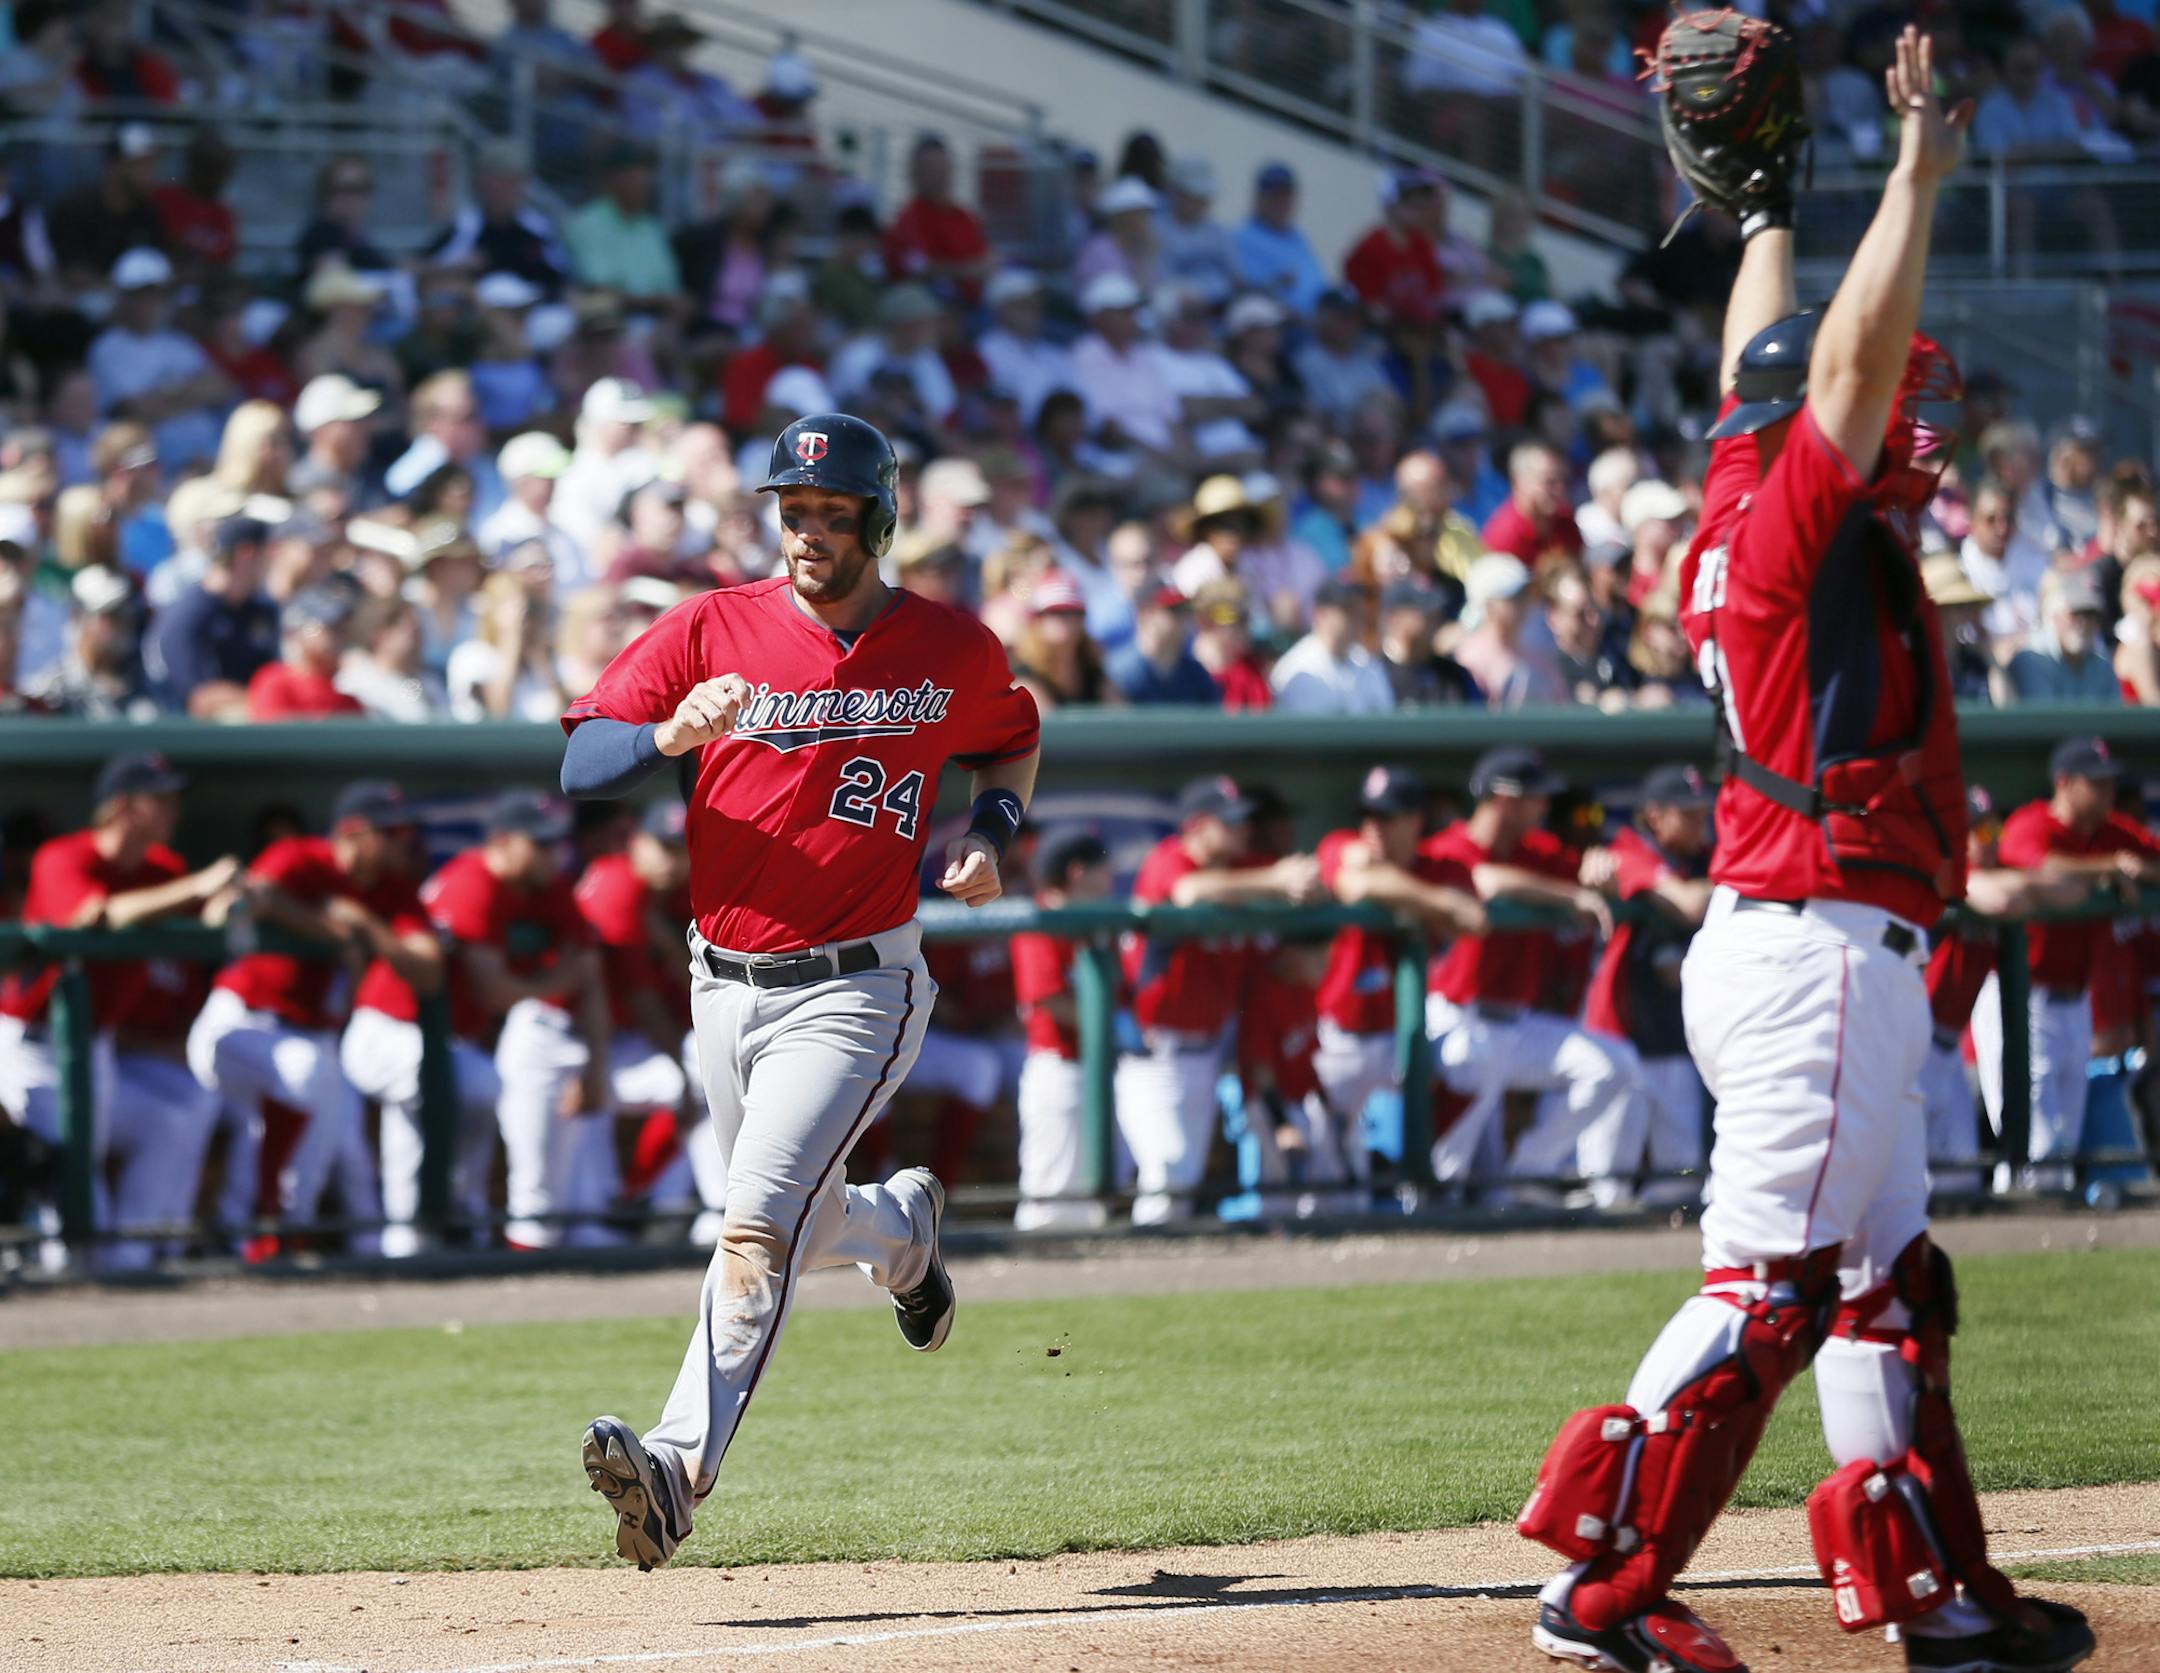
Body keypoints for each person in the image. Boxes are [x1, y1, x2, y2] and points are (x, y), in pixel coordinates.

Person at [1524, 31, 2096, 1673]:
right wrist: (1913, 171)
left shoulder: (1738, 481)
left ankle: (1943, 1597)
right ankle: (1602, 1585)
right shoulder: (1787, 514)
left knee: (1881, 1282)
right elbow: (1825, 377)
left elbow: (1758, 373)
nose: (1909, 409)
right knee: (1773, 1283)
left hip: (1811, 937)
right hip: (1817, 938)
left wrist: (1758, 210)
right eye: (1885, 393)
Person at [556, 412, 1041, 1571]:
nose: (809, 530)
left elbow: (1012, 740)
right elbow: (578, 762)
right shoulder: (710, 626)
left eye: (832, 512)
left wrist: (996, 833)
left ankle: (676, 1468)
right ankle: (902, 1231)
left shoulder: (946, 643)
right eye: (793, 510)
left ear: (879, 519)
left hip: (861, 983)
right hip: (721, 983)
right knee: (797, 1214)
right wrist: (668, 731)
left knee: (756, 1224)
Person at [0, 755, 236, 1266]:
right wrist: (196, 887)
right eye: (162, 799)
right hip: (34, 1046)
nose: (174, 812)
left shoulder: (162, 869)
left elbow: (212, 911)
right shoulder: (62, 857)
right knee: (76, 1212)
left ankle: (144, 1256)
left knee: (174, 1117)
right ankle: (84, 1294)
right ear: (124, 807)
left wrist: (230, 899)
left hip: (98, 1048)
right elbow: (93, 915)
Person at [187, 794, 435, 1256]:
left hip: (316, 1034)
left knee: (349, 1151)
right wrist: (327, 927)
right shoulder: (300, 855)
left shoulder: (392, 887)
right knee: (303, 1078)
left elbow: (429, 969)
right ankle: (255, 1228)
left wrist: (362, 927)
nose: (407, 844)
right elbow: (241, 901)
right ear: (355, 834)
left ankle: (279, 1236)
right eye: (394, 833)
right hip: (243, 1023)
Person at [1420, 746, 1631, 1202]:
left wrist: (1599, 874)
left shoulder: (1537, 850)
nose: (1544, 807)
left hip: (1515, 1024)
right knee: (1447, 1173)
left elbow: (1592, 879)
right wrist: (1569, 896)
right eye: (1535, 798)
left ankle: (1526, 1173)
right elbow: (1486, 880)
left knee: (1612, 1065)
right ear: (1504, 800)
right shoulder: (1447, 847)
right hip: (1453, 1020)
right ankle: (1434, 1202)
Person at [1117, 777, 1321, 1223]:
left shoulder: (1244, 866)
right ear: (1197, 826)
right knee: (1168, 1173)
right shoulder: (1169, 858)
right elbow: (1189, 893)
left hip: (1209, 1051)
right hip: (1154, 1054)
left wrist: (1299, 880)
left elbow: (1305, 879)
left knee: (1181, 1180)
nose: (1243, 829)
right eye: (1230, 822)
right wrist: (1274, 881)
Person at [422, 791, 613, 1251]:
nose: (555, 854)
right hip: (407, 1028)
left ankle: (463, 1232)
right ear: (505, 841)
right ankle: (425, 1237)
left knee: (490, 1122)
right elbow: (496, 990)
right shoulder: (472, 881)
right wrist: (558, 979)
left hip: (467, 1037)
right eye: (541, 843)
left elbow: (588, 976)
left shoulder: (548, 887)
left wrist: (596, 1067)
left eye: (556, 843)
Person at [1972, 738, 2157, 1193]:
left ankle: (2042, 1243)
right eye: (2096, 782)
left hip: (2075, 1003)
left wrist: (2128, 870)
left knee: (2061, 1151)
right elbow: (2042, 866)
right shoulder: (2032, 823)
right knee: (2035, 1147)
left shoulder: (2110, 832)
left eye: (2110, 781)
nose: (2108, 790)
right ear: (2064, 783)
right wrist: (2109, 869)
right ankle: (2012, 1238)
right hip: (2021, 1000)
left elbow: (2150, 858)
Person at [1313, 767, 1485, 1208]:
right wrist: (1436, 902)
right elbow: (1356, 884)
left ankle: (1435, 1183)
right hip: (1338, 1043)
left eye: (1387, 817)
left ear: (1416, 821)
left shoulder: (1440, 864)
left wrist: (1409, 895)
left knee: (1476, 1057)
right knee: (1329, 1192)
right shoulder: (1340, 845)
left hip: (1398, 1037)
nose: (1373, 828)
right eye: (1368, 816)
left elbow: (1475, 919)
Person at [574, 799, 723, 1232]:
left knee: (699, 1082)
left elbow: (685, 979)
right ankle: (636, 1200)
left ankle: (675, 1206)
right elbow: (637, 995)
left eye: (680, 848)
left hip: (620, 1037)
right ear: (635, 842)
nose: (671, 860)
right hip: (572, 1039)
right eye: (661, 846)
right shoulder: (620, 884)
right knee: (555, 1194)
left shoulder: (674, 891)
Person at [1577, 765, 1716, 1210]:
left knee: (1680, 1182)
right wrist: (1740, 884)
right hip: (1618, 1037)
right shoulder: (1628, 850)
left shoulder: (1700, 859)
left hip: (1669, 1040)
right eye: (1688, 814)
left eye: (1702, 812)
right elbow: (1690, 903)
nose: (1701, 822)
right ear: (1655, 816)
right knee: (1607, 1188)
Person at [1010, 829, 1113, 1231]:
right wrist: (1111, 1026)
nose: (1109, 881)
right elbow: (1049, 998)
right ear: (1076, 872)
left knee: (1092, 1204)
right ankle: (1032, 1282)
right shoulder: (1040, 919)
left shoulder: (1095, 922)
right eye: (1102, 870)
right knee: (1049, 1198)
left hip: (1096, 1070)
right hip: (1059, 1069)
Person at [142, 516, 280, 717]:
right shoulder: (189, 615)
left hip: (252, 731)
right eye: (269, 552)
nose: (273, 561)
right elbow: (202, 697)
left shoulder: (260, 608)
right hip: (197, 739)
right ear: (246, 554)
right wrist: (272, 701)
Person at [882, 133, 992, 302]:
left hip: (978, 302)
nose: (938, 176)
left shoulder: (963, 216)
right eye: (929, 170)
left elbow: (984, 259)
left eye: (941, 168)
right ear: (914, 173)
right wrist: (966, 270)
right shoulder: (908, 221)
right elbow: (918, 268)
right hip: (939, 309)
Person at [1995, 566, 2121, 705]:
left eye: (2091, 615)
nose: (2083, 623)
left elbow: (2114, 721)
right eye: (2075, 614)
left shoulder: (2102, 666)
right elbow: (2044, 722)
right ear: (2055, 615)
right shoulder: (2032, 660)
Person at [1268, 579, 1393, 715]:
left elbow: (1386, 717)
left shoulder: (1366, 662)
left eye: (1359, 609)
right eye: (1348, 609)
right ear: (1320, 614)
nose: (1357, 617)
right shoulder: (1298, 668)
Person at [246, 588, 366, 721]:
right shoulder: (276, 682)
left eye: (342, 629)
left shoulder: (349, 702)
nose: (338, 638)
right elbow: (275, 737)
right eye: (330, 628)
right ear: (298, 634)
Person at [1108, 584, 1216, 706]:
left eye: (1186, 612)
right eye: (1174, 611)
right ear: (1146, 614)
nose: (1184, 619)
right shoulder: (1119, 674)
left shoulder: (1196, 673)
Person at [1480, 441, 1583, 566]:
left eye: (1564, 481)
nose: (1560, 490)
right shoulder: (1504, 539)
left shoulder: (1565, 521)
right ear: (1517, 482)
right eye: (1549, 482)